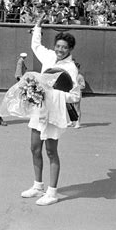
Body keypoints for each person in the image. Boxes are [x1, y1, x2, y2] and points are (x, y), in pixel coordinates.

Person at [20, 18, 80, 206]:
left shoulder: (71, 68)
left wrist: (54, 94)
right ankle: (38, 186)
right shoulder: (48, 57)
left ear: (70, 50)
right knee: (34, 148)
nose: (60, 50)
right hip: (40, 109)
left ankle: (52, 193)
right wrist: (38, 26)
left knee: (51, 151)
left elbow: (75, 96)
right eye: (58, 46)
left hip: (55, 113)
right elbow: (36, 45)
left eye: (64, 47)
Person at [73, 62, 86, 128]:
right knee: (70, 108)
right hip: (70, 94)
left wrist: (76, 87)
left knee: (77, 108)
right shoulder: (70, 75)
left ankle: (78, 123)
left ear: (78, 69)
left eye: (76, 68)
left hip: (77, 94)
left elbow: (83, 86)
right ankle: (72, 121)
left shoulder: (80, 77)